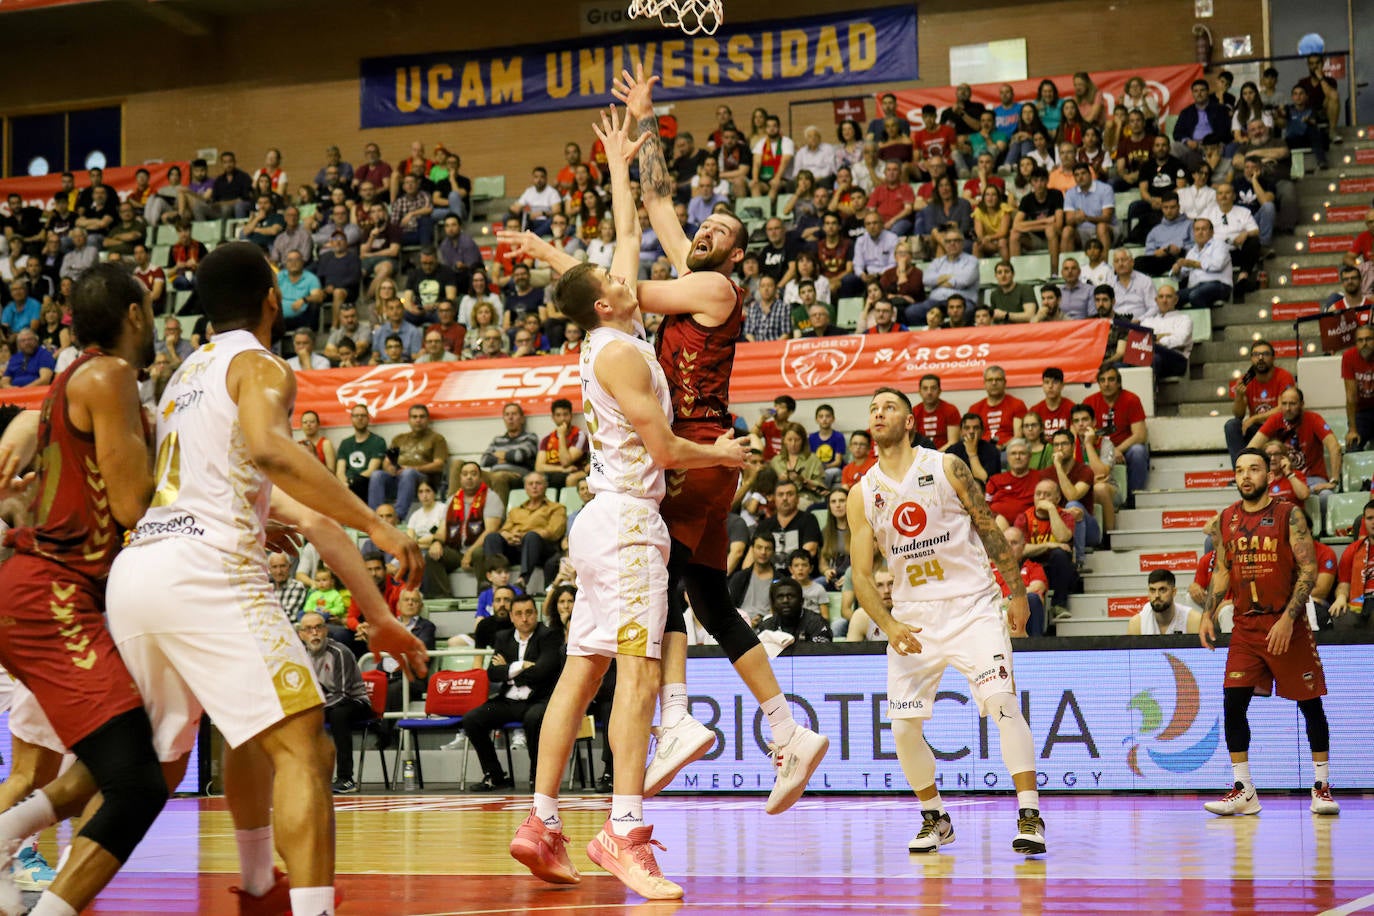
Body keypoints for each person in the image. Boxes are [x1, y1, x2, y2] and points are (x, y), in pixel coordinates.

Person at [98, 243, 428, 916]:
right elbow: (275, 449)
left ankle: (251, 885)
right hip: (204, 572)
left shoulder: (183, 375)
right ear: (274, 298)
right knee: (306, 742)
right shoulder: (261, 366)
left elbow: (304, 516)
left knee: (174, 763)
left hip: (137, 574)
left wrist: (380, 618)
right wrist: (383, 527)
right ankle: (306, 908)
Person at [507, 105, 747, 900]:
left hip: (603, 521)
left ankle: (540, 824)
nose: (625, 273)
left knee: (581, 672)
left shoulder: (604, 331)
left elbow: (619, 242)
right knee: (637, 678)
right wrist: (726, 451)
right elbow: (669, 451)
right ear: (607, 306)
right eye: (616, 282)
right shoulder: (620, 355)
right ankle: (624, 828)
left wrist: (617, 163)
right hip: (631, 523)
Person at [0, 263, 172, 915]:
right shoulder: (109, 376)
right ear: (134, 315)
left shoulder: (71, 381)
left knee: (111, 765)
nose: (154, 322)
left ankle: (5, 840)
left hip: (48, 593)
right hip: (51, 594)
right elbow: (133, 504)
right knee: (135, 784)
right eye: (151, 310)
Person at [847, 387, 1045, 856]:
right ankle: (935, 818)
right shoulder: (862, 492)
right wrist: (890, 624)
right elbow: (859, 574)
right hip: (914, 618)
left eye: (888, 407)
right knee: (902, 729)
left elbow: (989, 527)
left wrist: (1016, 591)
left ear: (911, 420)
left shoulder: (945, 466)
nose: (878, 413)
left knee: (1002, 703)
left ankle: (1029, 813)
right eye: (873, 408)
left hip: (972, 605)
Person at [1198, 449, 1337, 817]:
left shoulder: (1289, 515)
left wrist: (1290, 619)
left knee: (1310, 704)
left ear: (1268, 475)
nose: (1246, 476)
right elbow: (1223, 571)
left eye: (1254, 469)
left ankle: (1321, 786)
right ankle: (1244, 789)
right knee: (1232, 703)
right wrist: (1207, 613)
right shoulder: (1225, 519)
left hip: (1284, 622)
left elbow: (1308, 570)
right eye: (1240, 470)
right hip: (1246, 626)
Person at [297, 612, 373, 794]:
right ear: (301, 634)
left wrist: (315, 711)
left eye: (318, 627)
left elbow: (343, 694)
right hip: (323, 706)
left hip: (355, 703)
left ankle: (346, 778)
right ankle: (304, 776)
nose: (314, 633)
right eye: (308, 629)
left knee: (339, 714)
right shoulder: (298, 657)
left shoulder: (340, 652)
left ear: (325, 630)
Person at [1248, 386, 1341, 518]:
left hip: (1312, 479)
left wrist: (1334, 480)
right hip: (1283, 479)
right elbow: (1251, 450)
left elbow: (1334, 446)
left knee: (1327, 496)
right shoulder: (1275, 419)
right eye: (1284, 404)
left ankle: (1323, 533)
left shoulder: (1313, 418)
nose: (1287, 408)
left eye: (1292, 404)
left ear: (1302, 404)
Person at [367, 404, 450, 519]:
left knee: (408, 473)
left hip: (422, 480)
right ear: (409, 420)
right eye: (414, 417)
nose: (418, 420)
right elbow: (387, 461)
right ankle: (375, 517)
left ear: (427, 419)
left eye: (422, 417)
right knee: (377, 475)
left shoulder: (436, 439)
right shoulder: (399, 439)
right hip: (398, 477)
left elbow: (439, 464)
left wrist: (414, 468)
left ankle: (397, 516)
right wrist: (390, 469)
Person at [1082, 366, 1150, 496]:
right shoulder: (1089, 402)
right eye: (1102, 380)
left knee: (1138, 451)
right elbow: (1080, 429)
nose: (1106, 384)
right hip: (1098, 449)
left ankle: (1134, 498)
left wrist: (1117, 450)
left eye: (1111, 379)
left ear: (1119, 383)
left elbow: (1140, 435)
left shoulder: (1131, 400)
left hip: (1124, 450)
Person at [1225, 340, 1294, 465]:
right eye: (1256, 354)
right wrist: (1239, 396)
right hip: (1257, 430)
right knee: (1232, 425)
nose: (1260, 358)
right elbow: (1239, 415)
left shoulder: (1284, 376)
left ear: (1273, 358)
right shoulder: (1246, 379)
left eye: (1265, 354)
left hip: (1280, 428)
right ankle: (1240, 471)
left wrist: (1254, 418)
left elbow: (1282, 409)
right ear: (1251, 358)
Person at [476, 402, 540, 503]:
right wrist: (508, 456)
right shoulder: (497, 440)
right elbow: (484, 460)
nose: (510, 418)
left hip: (517, 476)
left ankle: (498, 517)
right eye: (507, 414)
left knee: (499, 477)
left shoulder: (530, 437)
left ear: (522, 419)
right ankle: (453, 512)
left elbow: (519, 456)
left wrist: (500, 455)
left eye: (514, 414)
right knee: (465, 470)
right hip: (494, 474)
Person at [757, 578, 831, 647]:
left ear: (801, 601)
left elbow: (821, 654)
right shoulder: (766, 627)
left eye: (791, 596)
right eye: (780, 597)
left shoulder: (817, 623)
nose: (785, 600)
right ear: (773, 603)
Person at [535, 398, 588, 490]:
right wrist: (561, 469)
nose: (562, 418)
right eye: (558, 415)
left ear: (571, 415)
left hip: (574, 473)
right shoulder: (547, 439)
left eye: (565, 414)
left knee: (568, 479)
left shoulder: (579, 435)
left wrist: (561, 436)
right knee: (535, 479)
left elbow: (566, 462)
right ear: (553, 417)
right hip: (555, 473)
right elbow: (539, 467)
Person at [1128, 570, 1202, 635]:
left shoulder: (1193, 620)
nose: (1157, 595)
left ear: (1174, 592)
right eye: (1152, 590)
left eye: (1162, 590)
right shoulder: (1137, 623)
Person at [1342, 325, 1374, 449]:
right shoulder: (1349, 357)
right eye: (1360, 340)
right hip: (1361, 412)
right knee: (1352, 445)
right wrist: (1352, 430)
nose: (1364, 344)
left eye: (1369, 339)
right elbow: (1350, 397)